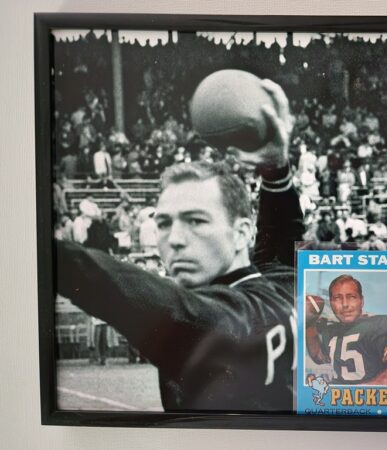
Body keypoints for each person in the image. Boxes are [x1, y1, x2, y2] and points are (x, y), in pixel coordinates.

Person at [56, 79, 304, 412]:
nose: (174, 239)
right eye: (164, 222)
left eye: (196, 221)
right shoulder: (286, 285)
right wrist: (276, 171)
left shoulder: (216, 319)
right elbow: (281, 241)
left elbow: (111, 283)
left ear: (243, 232)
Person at [305, 275, 387, 385]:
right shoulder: (331, 329)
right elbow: (319, 356)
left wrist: (376, 385)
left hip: (372, 398)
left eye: (351, 297)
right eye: (337, 298)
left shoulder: (380, 324)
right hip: (340, 398)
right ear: (331, 303)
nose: (345, 304)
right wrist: (309, 325)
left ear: (361, 301)